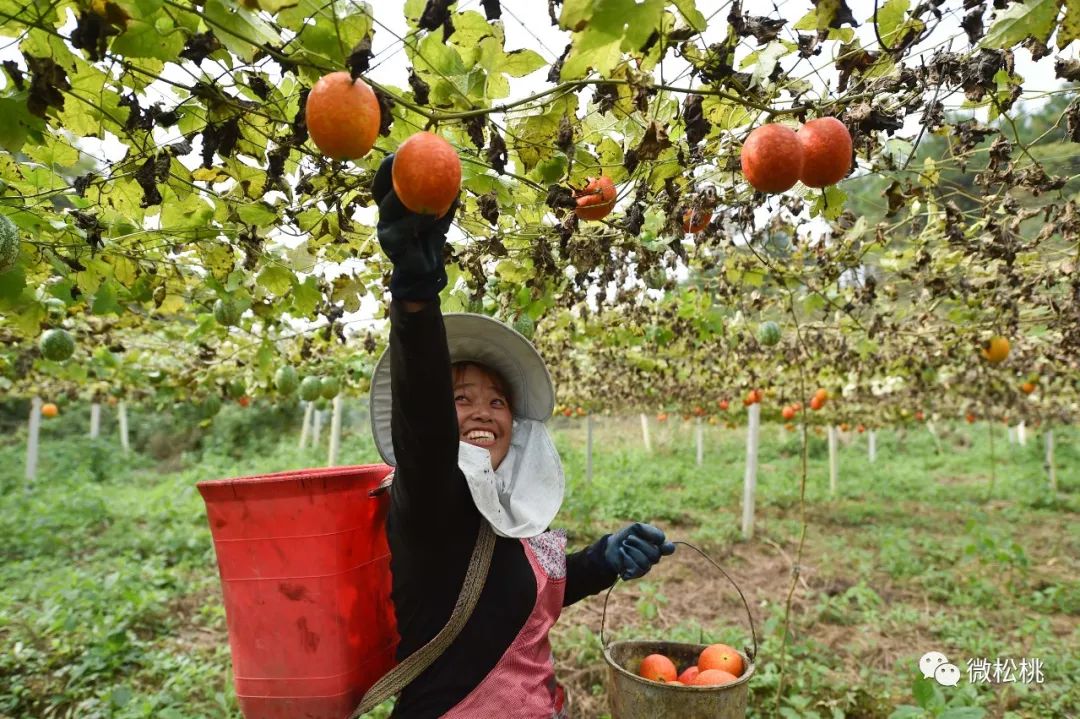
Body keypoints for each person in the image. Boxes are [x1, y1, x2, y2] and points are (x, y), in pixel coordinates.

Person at [367, 153, 676, 718]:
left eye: (497, 402)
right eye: (460, 399)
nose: (484, 413)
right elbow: (423, 425)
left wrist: (602, 559)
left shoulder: (518, 505)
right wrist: (415, 296)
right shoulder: (431, 499)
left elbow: (516, 599)